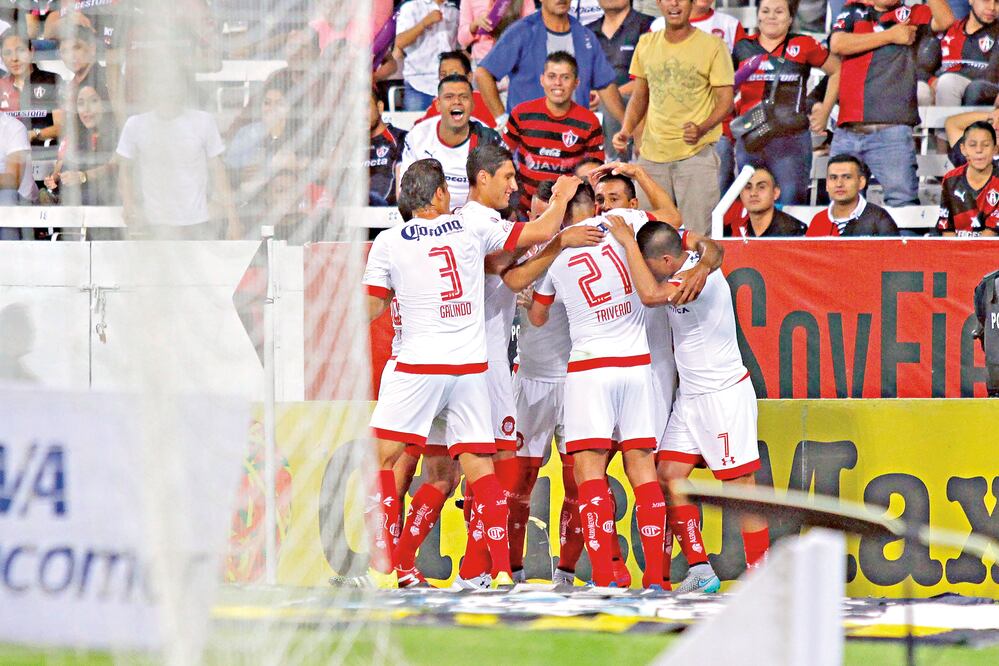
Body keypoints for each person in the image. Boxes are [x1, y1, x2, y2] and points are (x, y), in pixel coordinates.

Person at [361, 158, 582, 588]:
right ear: (441, 194)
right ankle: (499, 570)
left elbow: (373, 304)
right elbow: (540, 230)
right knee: (480, 470)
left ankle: (386, 565)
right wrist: (560, 197)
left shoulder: (388, 241)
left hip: (417, 366)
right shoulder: (471, 228)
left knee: (381, 461)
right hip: (469, 368)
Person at [604, 215, 770, 594]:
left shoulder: (694, 280)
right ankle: (700, 567)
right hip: (690, 397)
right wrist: (710, 254)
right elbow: (710, 244)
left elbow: (649, 296)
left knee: (742, 488)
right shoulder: (692, 259)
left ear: (664, 262)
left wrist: (628, 241)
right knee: (668, 475)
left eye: (647, 266)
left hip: (723, 394)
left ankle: (760, 576)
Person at [525, 192, 669, 589]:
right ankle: (657, 577)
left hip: (590, 367)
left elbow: (538, 317)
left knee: (589, 473)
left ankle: (605, 575)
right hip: (637, 365)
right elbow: (671, 217)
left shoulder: (558, 248)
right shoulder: (625, 220)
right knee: (642, 469)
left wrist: (529, 300)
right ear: (595, 205)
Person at [613, 0, 734, 236]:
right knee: (646, 234)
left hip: (696, 156)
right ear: (658, 3)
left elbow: (725, 101)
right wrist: (626, 130)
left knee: (697, 236)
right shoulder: (647, 43)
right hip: (652, 157)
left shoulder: (713, 46)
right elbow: (639, 97)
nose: (674, 4)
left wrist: (702, 127)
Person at [829, 0, 954, 207]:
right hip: (847, 131)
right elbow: (838, 44)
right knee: (842, 207)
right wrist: (890, 36)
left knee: (902, 204)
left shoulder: (914, 14)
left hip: (892, 131)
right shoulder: (853, 9)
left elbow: (946, 20)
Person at [732, 0, 841, 205]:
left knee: (791, 205)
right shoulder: (742, 47)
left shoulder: (804, 44)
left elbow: (837, 70)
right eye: (766, 11)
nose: (771, 16)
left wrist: (825, 111)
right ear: (758, 16)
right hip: (750, 138)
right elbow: (727, 88)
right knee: (750, 205)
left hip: (791, 140)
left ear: (790, 18)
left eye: (779, 12)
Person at [116, 67, 241, 240]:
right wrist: (128, 203)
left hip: (198, 225)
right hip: (154, 225)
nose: (169, 90)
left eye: (174, 83)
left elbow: (219, 174)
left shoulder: (204, 122)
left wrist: (233, 221)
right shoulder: (135, 125)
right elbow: (125, 172)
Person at [475, 0, 626, 126]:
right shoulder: (522, 31)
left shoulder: (584, 35)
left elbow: (606, 85)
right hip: (529, 141)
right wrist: (502, 120)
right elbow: (483, 74)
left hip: (574, 139)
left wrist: (628, 128)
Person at [652, 0, 746, 193]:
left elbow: (743, 77)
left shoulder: (730, 25)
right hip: (668, 129)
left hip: (717, 129)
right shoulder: (658, 26)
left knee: (713, 199)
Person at [504, 52, 605, 217]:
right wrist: (508, 206)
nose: (558, 83)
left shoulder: (589, 122)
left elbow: (596, 172)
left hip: (567, 212)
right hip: (524, 211)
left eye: (565, 77)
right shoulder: (521, 114)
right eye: (552, 76)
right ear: (542, 79)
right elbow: (500, 159)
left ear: (576, 82)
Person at [399, 74, 502, 209]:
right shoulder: (417, 136)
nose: (457, 101)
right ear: (438, 105)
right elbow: (407, 190)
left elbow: (499, 191)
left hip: (475, 217)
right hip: (429, 216)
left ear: (472, 105)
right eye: (449, 97)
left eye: (463, 97)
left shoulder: (488, 139)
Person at [587, 0, 656, 161]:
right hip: (592, 107)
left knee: (608, 105)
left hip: (638, 106)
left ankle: (617, 165)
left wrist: (608, 95)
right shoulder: (587, 32)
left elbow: (652, 78)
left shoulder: (648, 26)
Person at [225, 73, 301, 216]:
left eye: (279, 103)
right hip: (248, 206)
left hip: (289, 207)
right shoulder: (246, 134)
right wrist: (240, 175)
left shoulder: (300, 135)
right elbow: (227, 173)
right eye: (267, 103)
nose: (272, 108)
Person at [44, 84, 118, 208]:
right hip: (77, 205)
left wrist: (82, 176)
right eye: (81, 103)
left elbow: (113, 167)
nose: (86, 109)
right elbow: (62, 166)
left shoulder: (116, 133)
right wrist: (54, 180)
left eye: (93, 101)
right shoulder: (73, 137)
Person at [918, 0, 999, 106]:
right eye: (986, 0)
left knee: (948, 82)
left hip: (980, 86)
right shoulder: (948, 29)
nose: (992, 7)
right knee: (919, 90)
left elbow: (991, 75)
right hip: (943, 83)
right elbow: (921, 67)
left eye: (997, 2)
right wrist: (932, 81)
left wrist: (943, 78)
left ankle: (950, 122)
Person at [806, 154, 900, 236]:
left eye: (847, 177)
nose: (839, 184)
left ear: (861, 182)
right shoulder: (818, 220)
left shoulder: (879, 219)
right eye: (833, 178)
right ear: (827, 184)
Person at [395, 0, 460, 111]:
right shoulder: (410, 7)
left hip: (450, 85)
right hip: (419, 84)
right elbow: (400, 42)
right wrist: (423, 23)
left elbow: (457, 47)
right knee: (417, 127)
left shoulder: (454, 11)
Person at [937, 121, 999, 236]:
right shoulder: (950, 179)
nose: (979, 150)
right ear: (963, 149)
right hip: (957, 250)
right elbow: (947, 229)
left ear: (995, 149)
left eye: (986, 145)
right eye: (972, 145)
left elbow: (990, 235)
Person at [0, 33, 62, 147]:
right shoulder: (1, 86)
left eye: (20, 50)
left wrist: (35, 134)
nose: (14, 58)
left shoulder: (51, 80)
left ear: (31, 51)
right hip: (9, 158)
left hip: (45, 154)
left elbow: (62, 127)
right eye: (7, 53)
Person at [418, 51, 497, 128]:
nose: (448, 78)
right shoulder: (438, 102)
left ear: (469, 76)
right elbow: (420, 130)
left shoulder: (484, 100)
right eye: (443, 74)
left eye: (454, 74)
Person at [725, 166, 806, 237]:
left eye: (761, 187)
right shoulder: (732, 230)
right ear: (741, 194)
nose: (753, 193)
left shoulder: (794, 232)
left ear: (775, 193)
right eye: (748, 187)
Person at [458, 0, 535, 65]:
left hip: (514, 60)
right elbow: (462, 40)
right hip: (482, 60)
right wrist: (474, 25)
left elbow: (531, 30)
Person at [368, 88, 408, 207]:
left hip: (386, 216)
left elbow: (404, 190)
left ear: (380, 107)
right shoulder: (346, 145)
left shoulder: (402, 138)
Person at [0, 113, 35, 239]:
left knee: (7, 194)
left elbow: (12, 180)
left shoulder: (13, 127)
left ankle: (9, 253)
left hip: (19, 199)